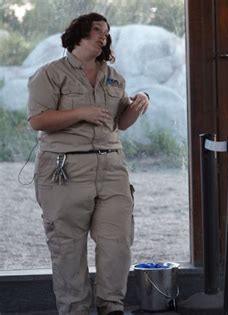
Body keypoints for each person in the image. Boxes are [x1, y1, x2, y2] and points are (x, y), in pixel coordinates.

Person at [27, 12, 149, 315]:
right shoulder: (50, 74)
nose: (103, 35)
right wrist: (81, 112)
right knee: (68, 248)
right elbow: (38, 120)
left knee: (117, 243)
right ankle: (75, 310)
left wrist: (140, 102)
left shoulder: (113, 77)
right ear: (78, 34)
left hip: (111, 168)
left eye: (106, 32)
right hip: (65, 170)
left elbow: (120, 123)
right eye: (96, 29)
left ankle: (112, 306)